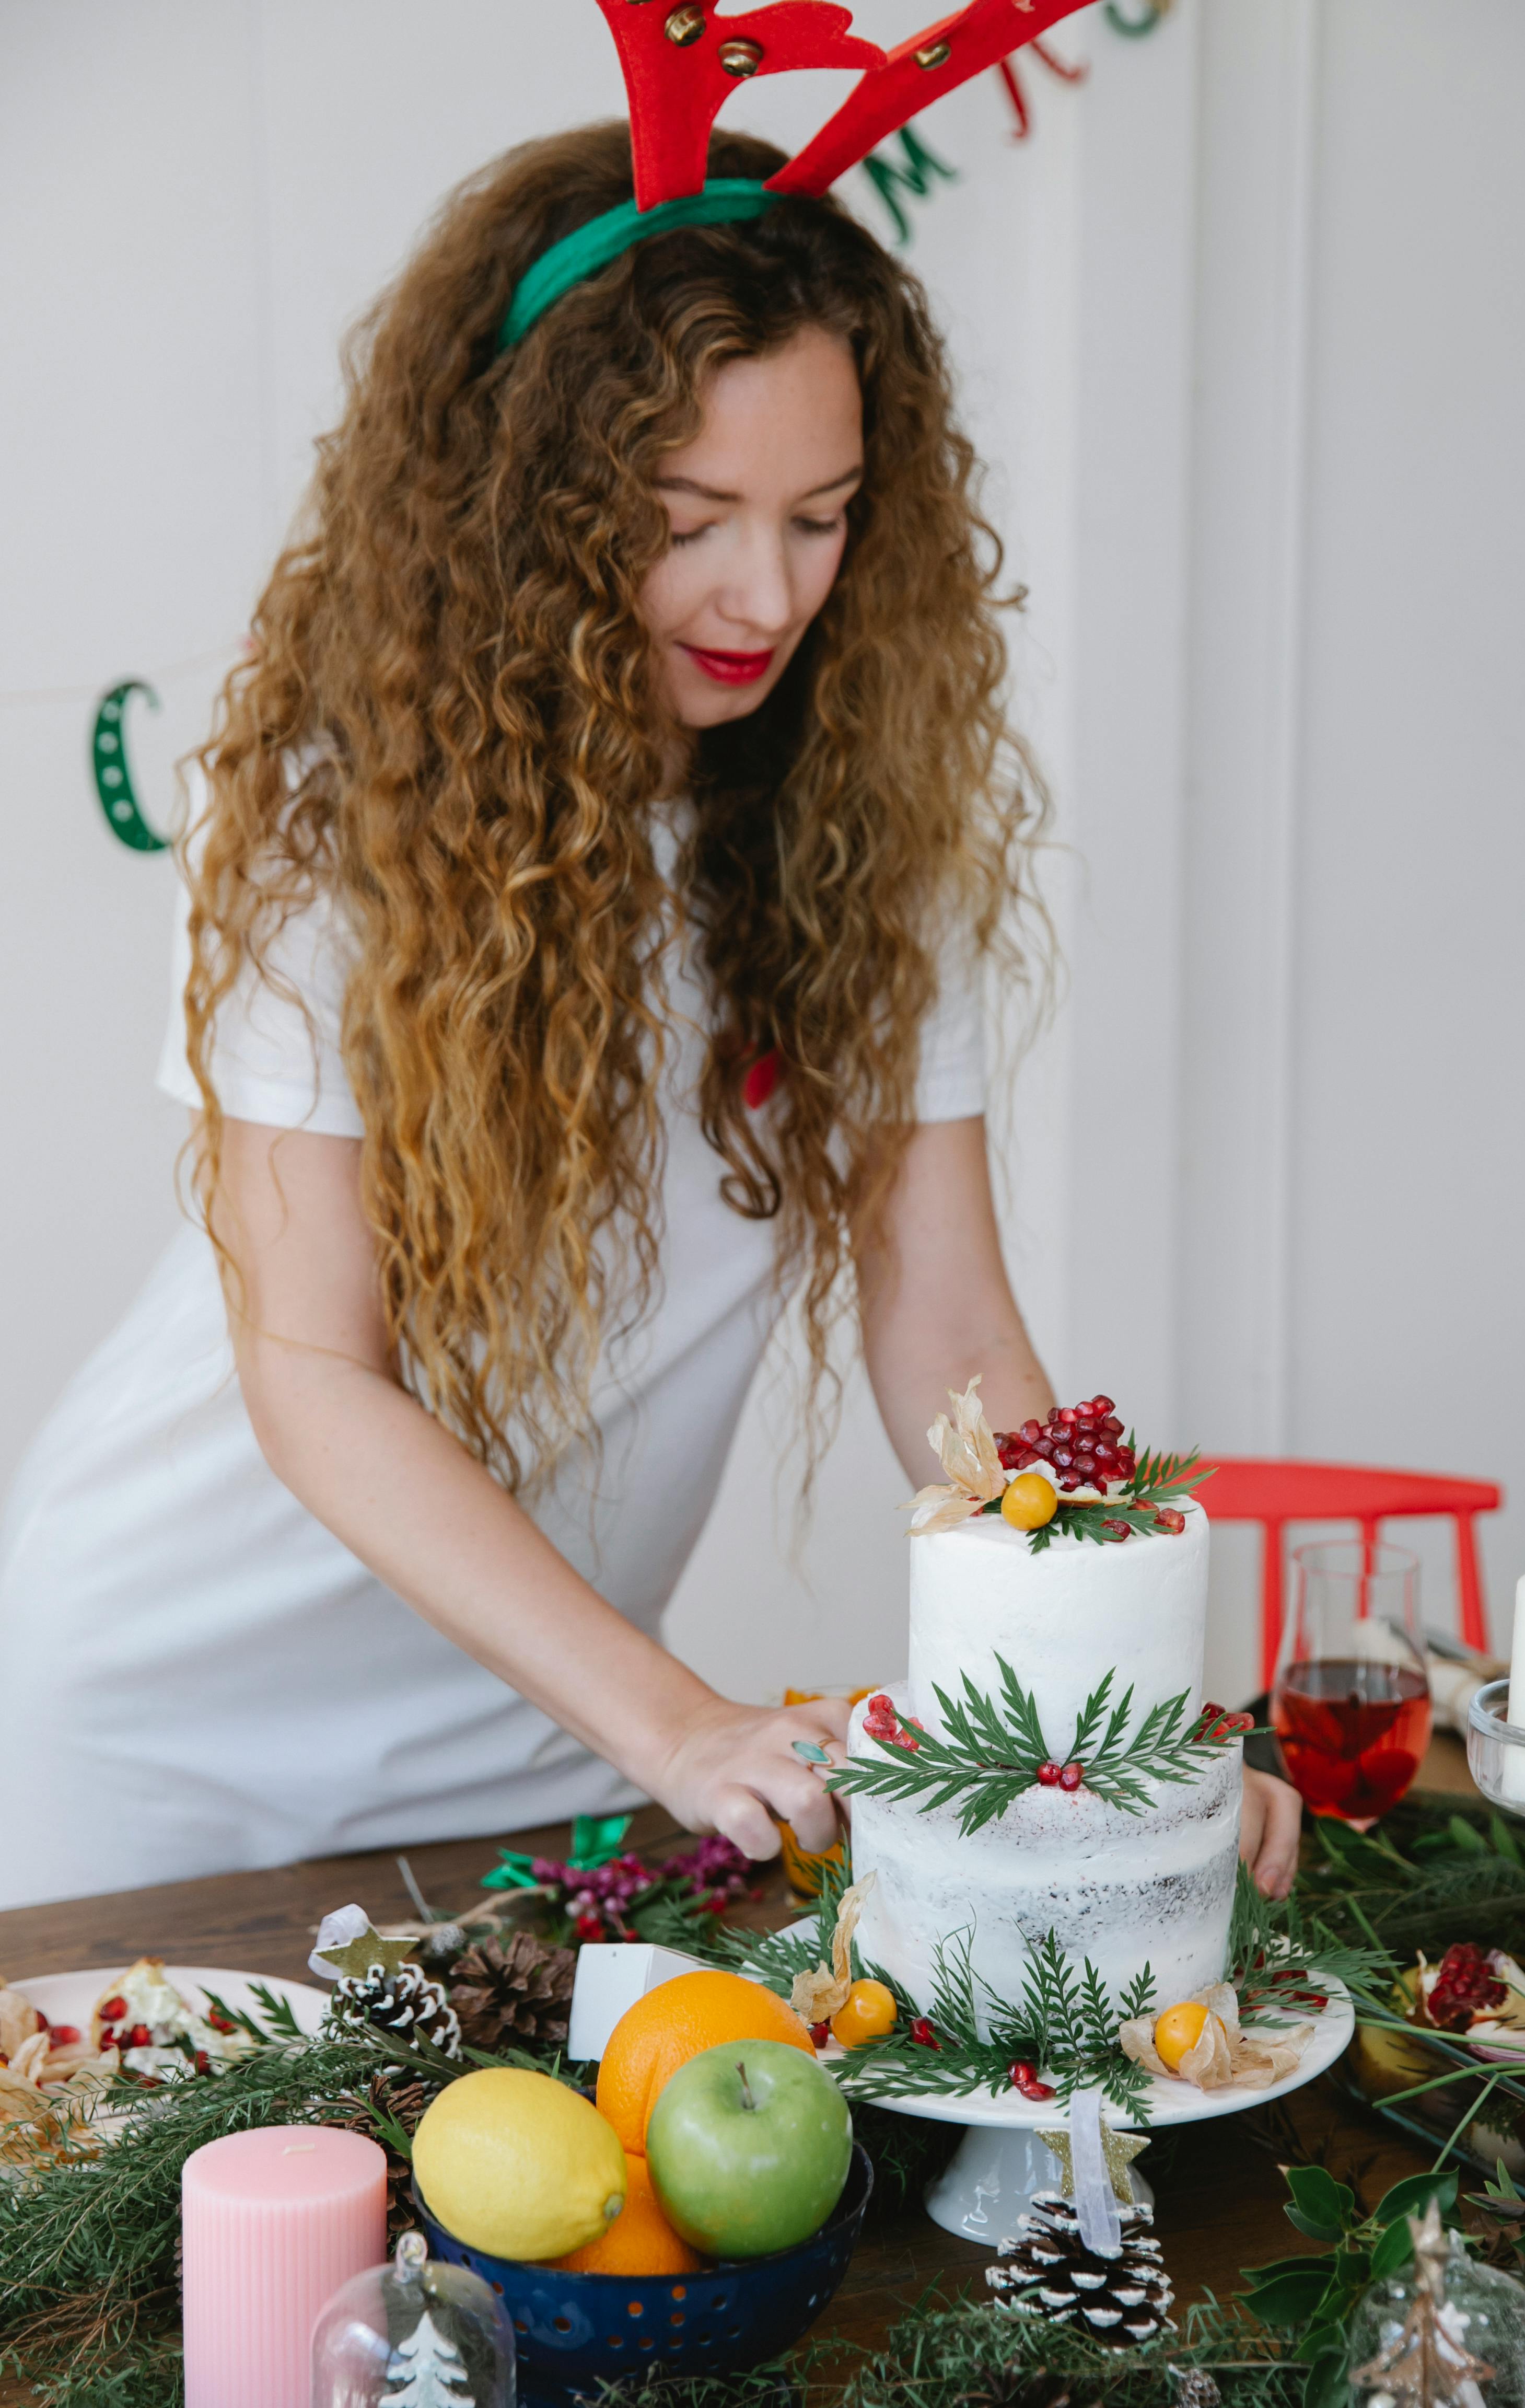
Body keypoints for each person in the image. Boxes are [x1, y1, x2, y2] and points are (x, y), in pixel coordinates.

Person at [0, 124, 1302, 1909]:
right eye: (687, 524)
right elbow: (309, 1368)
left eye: (822, 518)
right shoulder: (330, 819)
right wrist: (678, 1724)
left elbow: (946, 1318)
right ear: (527, 502)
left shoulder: (868, 840)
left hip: (551, 1720)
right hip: (167, 1722)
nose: (766, 595)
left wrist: (1122, 1709)